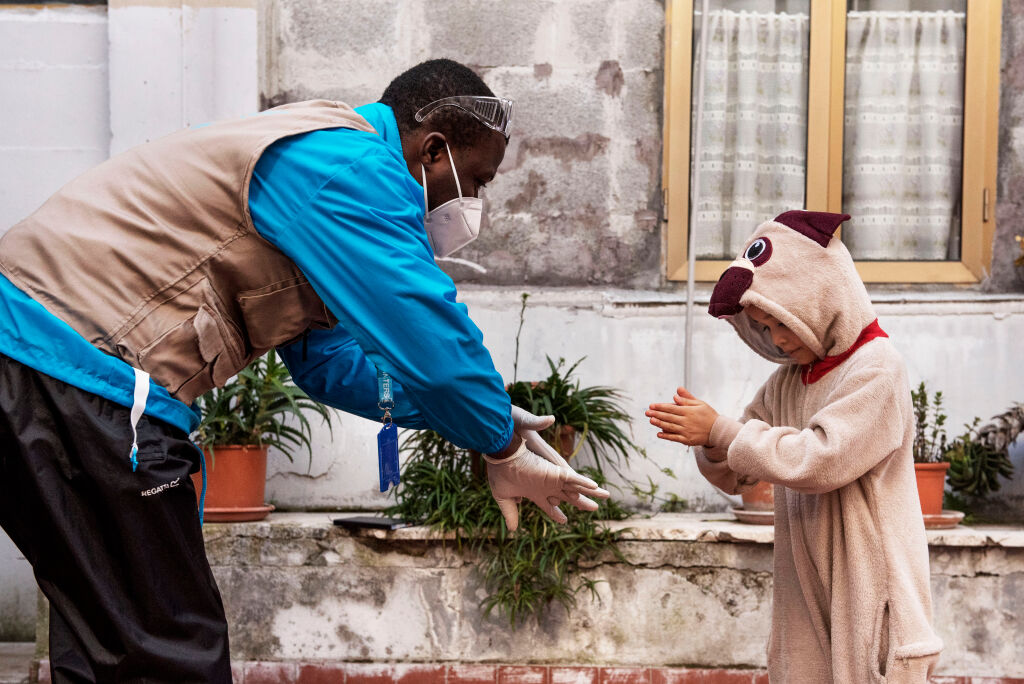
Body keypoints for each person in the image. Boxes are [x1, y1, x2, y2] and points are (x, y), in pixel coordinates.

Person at [0, 58, 607, 683]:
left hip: (41, 364)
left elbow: (331, 364)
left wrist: (490, 420)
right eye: (475, 180)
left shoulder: (323, 169)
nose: (474, 202)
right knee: (167, 652)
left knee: (115, 641)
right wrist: (500, 445)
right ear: (433, 152)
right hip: (72, 371)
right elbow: (429, 340)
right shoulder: (351, 170)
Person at [645, 211, 942, 683]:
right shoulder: (789, 381)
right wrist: (708, 441)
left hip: (871, 585)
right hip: (806, 585)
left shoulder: (877, 368)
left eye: (783, 320)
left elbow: (819, 459)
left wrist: (721, 431)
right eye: (764, 327)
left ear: (822, 297)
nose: (777, 339)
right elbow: (740, 466)